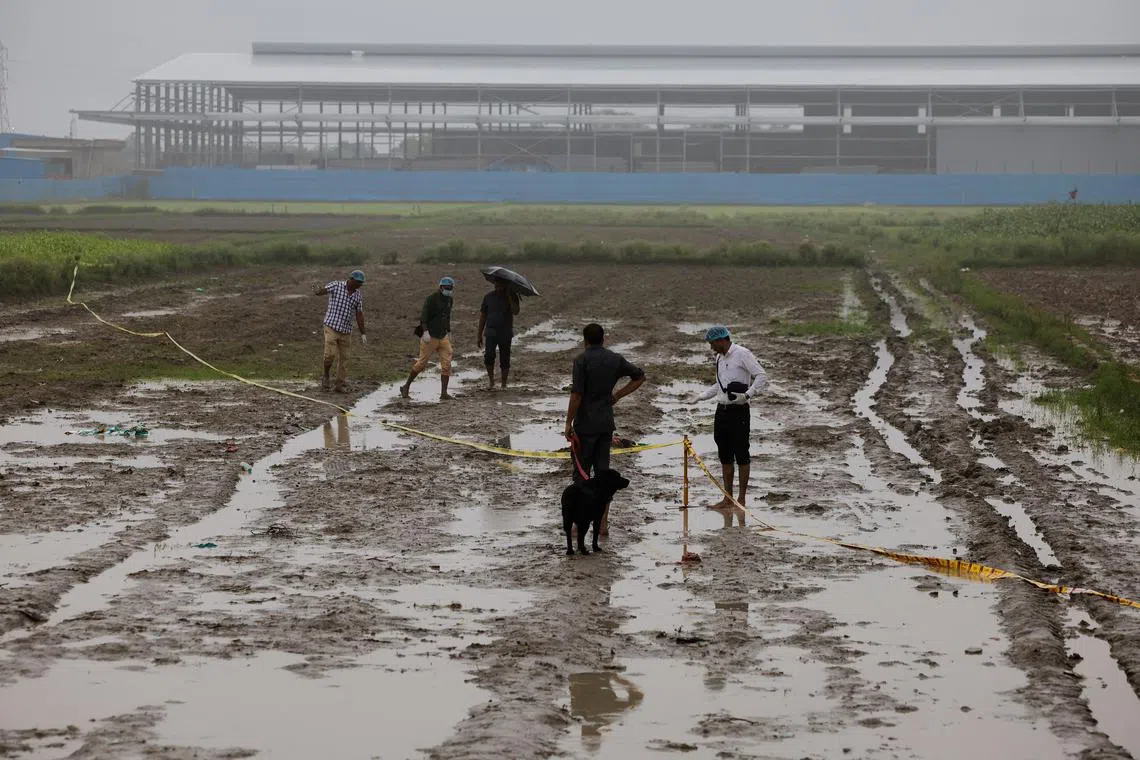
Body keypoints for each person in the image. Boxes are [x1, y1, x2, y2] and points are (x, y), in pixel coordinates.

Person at [564, 323, 646, 536]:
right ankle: (602, 525)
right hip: (605, 425)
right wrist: (617, 395)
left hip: (584, 425)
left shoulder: (581, 360)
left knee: (581, 475)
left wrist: (568, 423)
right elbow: (639, 377)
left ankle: (577, 525)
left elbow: (577, 394)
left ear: (585, 340)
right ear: (604, 339)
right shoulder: (615, 359)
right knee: (604, 476)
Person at [690, 325, 768, 509]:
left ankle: (741, 499)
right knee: (724, 455)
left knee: (741, 454)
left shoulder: (743, 354)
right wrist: (701, 397)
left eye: (712, 344)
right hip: (721, 411)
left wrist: (748, 394)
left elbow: (761, 375)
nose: (711, 348)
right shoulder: (719, 357)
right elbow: (719, 385)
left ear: (721, 340)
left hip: (739, 411)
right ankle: (727, 498)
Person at [401, 276, 455, 401]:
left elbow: (447, 316)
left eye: (451, 288)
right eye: (447, 288)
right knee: (421, 364)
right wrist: (425, 332)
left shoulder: (449, 300)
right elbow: (424, 317)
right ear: (441, 287)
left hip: (443, 335)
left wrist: (449, 330)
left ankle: (444, 393)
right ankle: (406, 386)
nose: (449, 290)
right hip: (430, 336)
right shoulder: (431, 299)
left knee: (447, 364)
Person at [314, 269, 366, 393]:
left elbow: (359, 314)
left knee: (345, 358)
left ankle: (340, 384)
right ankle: (326, 375)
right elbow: (324, 291)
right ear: (351, 279)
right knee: (330, 355)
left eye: (361, 283)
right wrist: (318, 291)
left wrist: (363, 332)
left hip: (346, 330)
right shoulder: (336, 285)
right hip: (331, 325)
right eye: (358, 282)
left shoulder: (357, 295)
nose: (359, 285)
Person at [477, 279, 520, 390]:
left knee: (505, 359)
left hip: (505, 333)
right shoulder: (488, 297)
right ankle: (491, 381)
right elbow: (482, 316)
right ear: (494, 285)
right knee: (489, 356)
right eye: (497, 286)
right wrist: (479, 335)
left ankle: (504, 384)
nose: (499, 288)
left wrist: (509, 296)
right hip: (491, 332)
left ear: (506, 286)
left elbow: (515, 311)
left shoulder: (513, 297)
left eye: (501, 286)